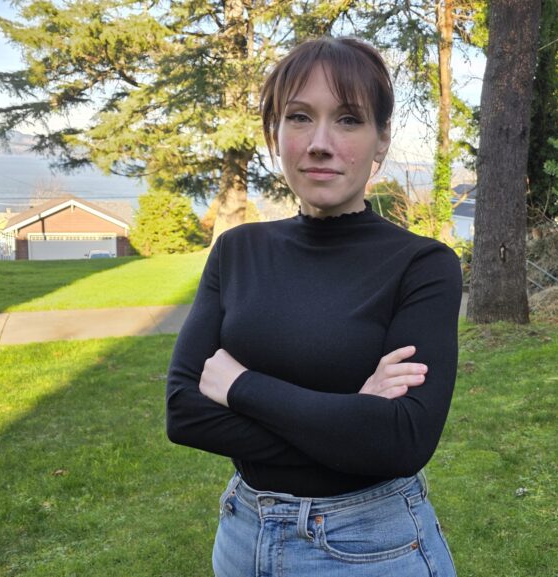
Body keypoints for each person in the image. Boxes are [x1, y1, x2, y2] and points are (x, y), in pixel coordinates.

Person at [166, 36, 462, 577]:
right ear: (274, 134)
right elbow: (185, 414)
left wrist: (239, 387)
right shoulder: (238, 250)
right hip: (242, 537)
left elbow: (402, 439)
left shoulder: (422, 265)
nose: (320, 143)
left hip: (371, 548)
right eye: (300, 117)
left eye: (348, 120)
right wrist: (352, 416)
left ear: (381, 141)